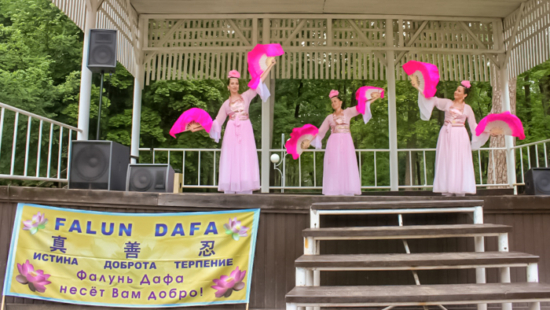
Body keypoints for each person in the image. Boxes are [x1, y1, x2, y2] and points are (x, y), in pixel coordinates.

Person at [192, 61, 275, 194]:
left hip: (245, 129)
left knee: (245, 155)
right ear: (228, 86)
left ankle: (245, 186)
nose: (235, 85)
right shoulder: (225, 104)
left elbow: (258, 80)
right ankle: (231, 187)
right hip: (231, 131)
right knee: (232, 156)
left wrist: (270, 65)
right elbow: (216, 123)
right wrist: (199, 127)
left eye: (237, 83)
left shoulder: (246, 96)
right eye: (232, 83)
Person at [411, 78, 477, 196]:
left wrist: (487, 131)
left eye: (459, 91)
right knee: (447, 158)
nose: (456, 92)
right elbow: (431, 99)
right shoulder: (447, 103)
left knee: (459, 160)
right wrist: (418, 87)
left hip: (460, 135)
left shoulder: (467, 109)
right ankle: (447, 188)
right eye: (456, 90)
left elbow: (474, 126)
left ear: (465, 95)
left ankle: (459, 188)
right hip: (446, 133)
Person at [309, 89, 380, 196]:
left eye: (335, 101)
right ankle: (334, 189)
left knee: (347, 163)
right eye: (332, 102)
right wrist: (307, 140)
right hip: (333, 142)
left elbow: (360, 107)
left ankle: (348, 188)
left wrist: (373, 98)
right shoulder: (329, 117)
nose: (333, 104)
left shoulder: (348, 112)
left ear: (340, 102)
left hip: (346, 140)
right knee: (334, 164)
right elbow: (320, 132)